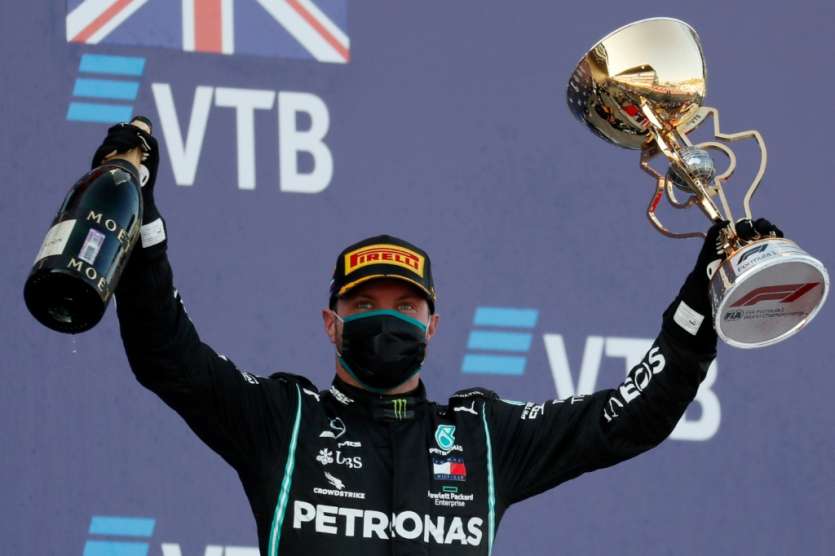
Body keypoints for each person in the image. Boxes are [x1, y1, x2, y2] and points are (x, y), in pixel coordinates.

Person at [99, 120, 780, 555]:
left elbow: (630, 419)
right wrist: (140, 227)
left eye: (405, 305)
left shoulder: (483, 438)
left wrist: (700, 301)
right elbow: (165, 354)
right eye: (363, 304)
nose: (385, 318)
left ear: (432, 324)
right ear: (330, 323)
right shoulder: (283, 421)